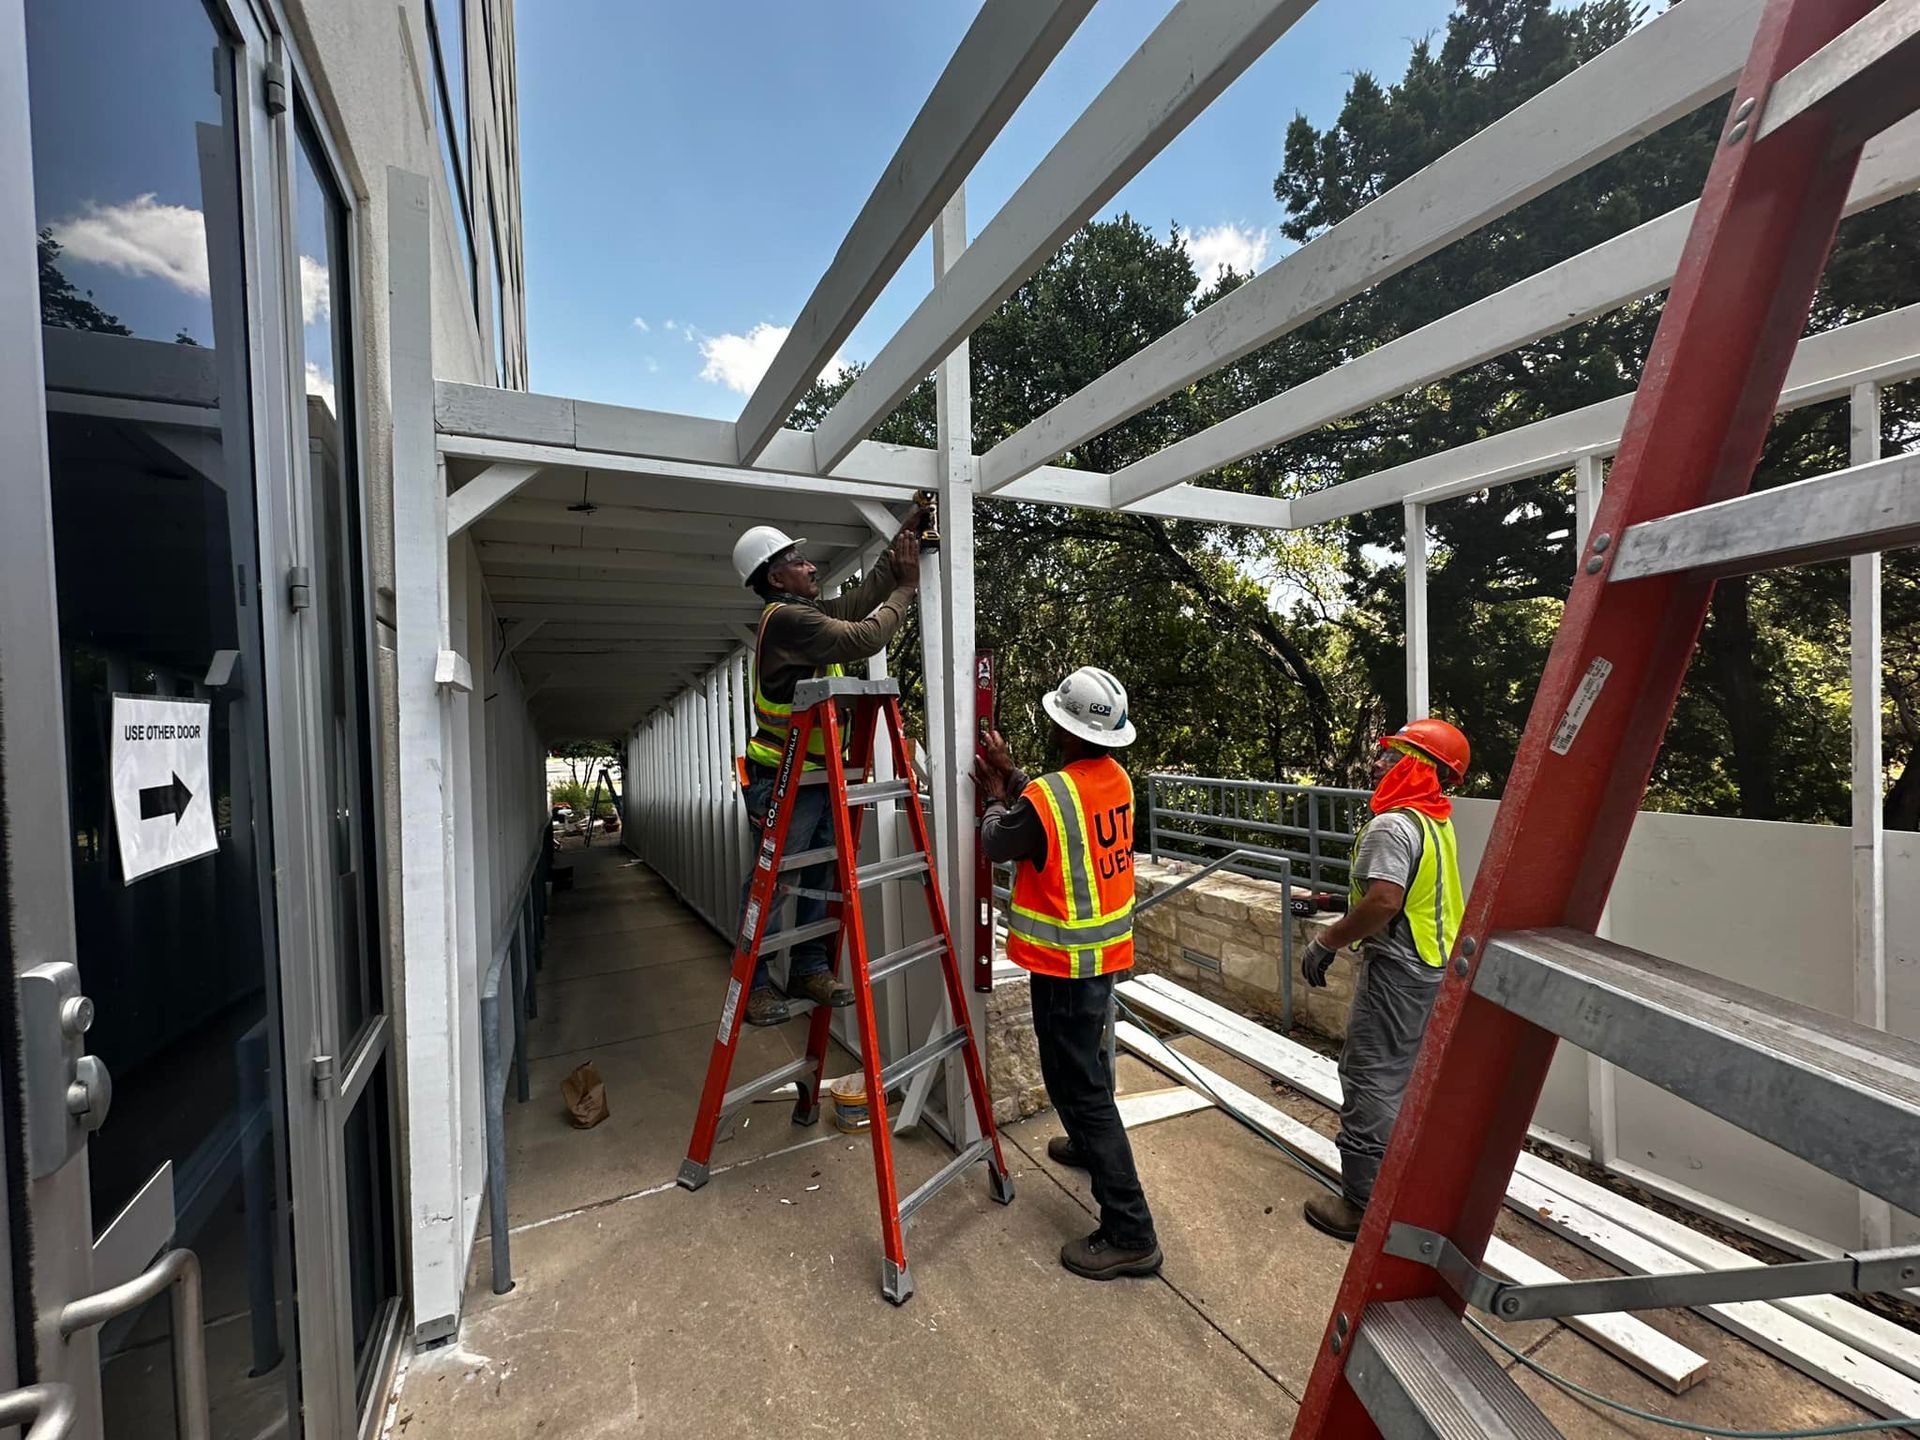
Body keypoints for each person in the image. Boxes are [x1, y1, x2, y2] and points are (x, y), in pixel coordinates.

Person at [974, 667, 1160, 1281]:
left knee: (1078, 1086)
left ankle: (1130, 1230)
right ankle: (1086, 1146)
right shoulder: (1116, 779)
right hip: (1102, 957)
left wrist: (998, 798)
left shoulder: (1047, 797)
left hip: (1066, 965)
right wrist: (1017, 781)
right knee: (1091, 1069)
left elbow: (1001, 842)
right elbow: (1064, 814)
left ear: (1063, 726)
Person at [728, 513, 924, 1027]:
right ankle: (753, 983)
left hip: (814, 777)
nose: (810, 566)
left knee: (820, 874)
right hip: (783, 779)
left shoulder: (802, 614)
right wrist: (906, 588)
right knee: (773, 884)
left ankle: (809, 968)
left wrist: (902, 537)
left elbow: (857, 603)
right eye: (797, 561)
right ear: (775, 577)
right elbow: (863, 636)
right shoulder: (788, 620)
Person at [1299, 717, 1470, 1242]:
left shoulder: (1393, 825)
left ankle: (1361, 1206)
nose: (1377, 764)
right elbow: (1410, 893)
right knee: (1401, 1078)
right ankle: (1399, 1180)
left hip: (1399, 970)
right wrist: (1333, 902)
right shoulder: (1432, 823)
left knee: (1368, 1076)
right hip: (1437, 967)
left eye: (1390, 756)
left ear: (1416, 766)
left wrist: (1327, 939)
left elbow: (1385, 900)